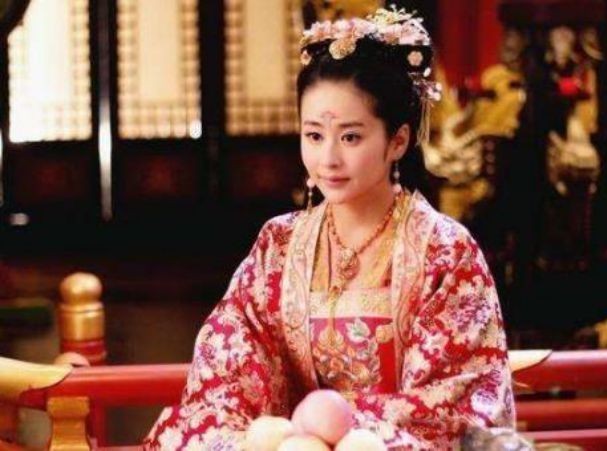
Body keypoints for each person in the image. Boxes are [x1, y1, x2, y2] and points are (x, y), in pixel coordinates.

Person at [144, 7, 515, 450]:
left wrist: (336, 427)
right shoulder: (280, 245)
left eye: (351, 137)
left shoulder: (444, 251)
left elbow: (451, 407)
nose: (328, 160)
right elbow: (228, 367)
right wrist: (276, 434)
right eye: (314, 135)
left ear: (398, 140)